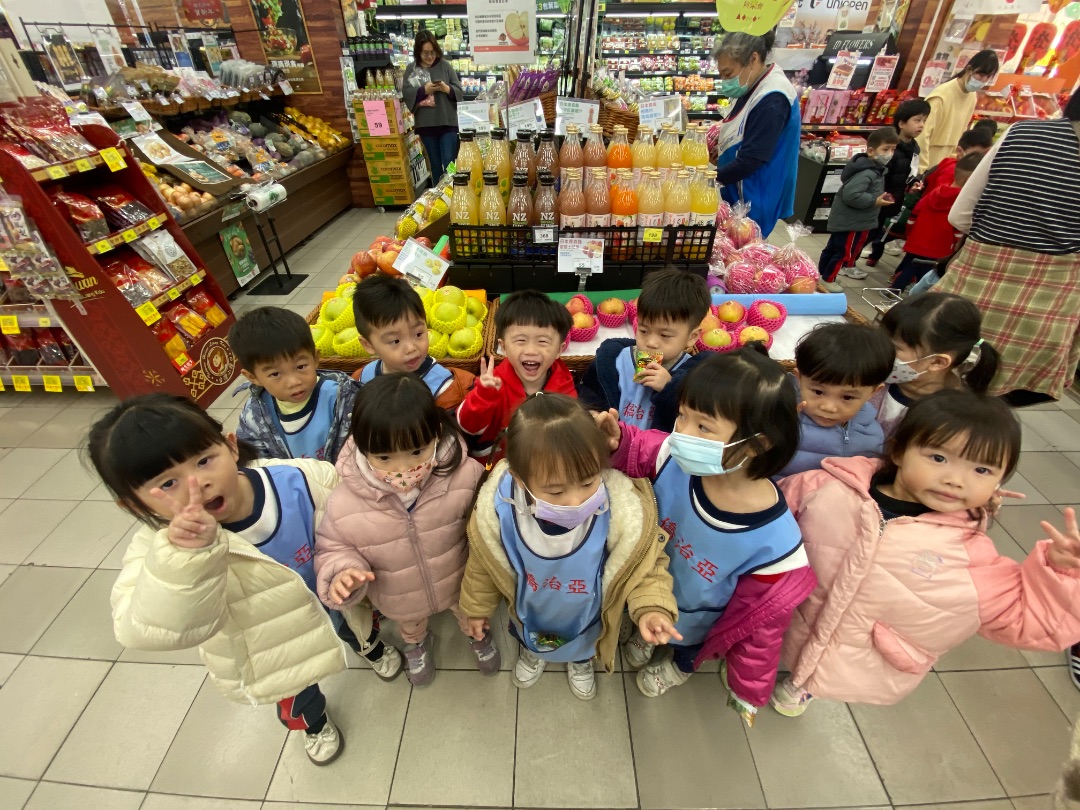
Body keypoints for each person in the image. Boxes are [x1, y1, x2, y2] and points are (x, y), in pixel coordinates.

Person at [90, 395, 400, 766]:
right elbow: (145, 629)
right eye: (168, 483)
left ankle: (371, 648)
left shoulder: (302, 478)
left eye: (204, 460)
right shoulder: (160, 553)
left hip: (334, 599)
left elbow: (352, 524)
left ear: (231, 446)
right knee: (297, 694)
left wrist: (351, 566)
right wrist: (188, 559)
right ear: (133, 504)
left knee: (357, 627)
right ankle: (315, 725)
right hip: (270, 645)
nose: (199, 484)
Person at [772, 390, 1080, 716]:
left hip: (854, 654)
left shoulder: (970, 558)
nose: (955, 480)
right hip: (790, 621)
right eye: (939, 458)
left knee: (812, 673)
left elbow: (1028, 622)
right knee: (768, 651)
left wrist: (1061, 573)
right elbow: (765, 522)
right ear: (898, 450)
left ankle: (802, 685)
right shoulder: (823, 487)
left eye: (982, 470)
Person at [594, 347, 816, 726]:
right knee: (650, 620)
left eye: (704, 427)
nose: (682, 433)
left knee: (687, 650)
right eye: (682, 415)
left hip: (698, 622)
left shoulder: (775, 544)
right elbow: (642, 448)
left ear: (757, 444)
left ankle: (679, 668)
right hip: (649, 585)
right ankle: (646, 632)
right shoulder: (675, 457)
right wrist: (618, 441)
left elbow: (761, 626)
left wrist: (747, 688)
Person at [460, 394, 679, 701]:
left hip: (587, 618)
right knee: (532, 639)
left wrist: (652, 608)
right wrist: (475, 609)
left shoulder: (620, 511)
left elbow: (644, 565)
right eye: (556, 491)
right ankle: (534, 653)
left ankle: (580, 662)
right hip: (531, 613)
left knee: (582, 646)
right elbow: (484, 565)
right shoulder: (500, 513)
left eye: (588, 482)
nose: (576, 500)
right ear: (519, 480)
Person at [314, 374, 493, 686]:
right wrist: (343, 573)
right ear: (362, 448)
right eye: (384, 457)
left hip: (459, 580)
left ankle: (476, 634)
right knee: (410, 623)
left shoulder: (466, 475)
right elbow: (333, 545)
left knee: (469, 612)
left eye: (416, 452)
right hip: (398, 594)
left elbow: (487, 518)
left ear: (437, 435)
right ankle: (417, 643)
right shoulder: (345, 501)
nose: (402, 468)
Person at [936, 87, 1080, 406]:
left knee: (933, 379)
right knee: (989, 407)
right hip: (1047, 315)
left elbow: (960, 216)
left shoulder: (1022, 134)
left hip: (970, 290)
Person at [578, 269, 711, 432]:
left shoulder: (695, 376)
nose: (651, 343)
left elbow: (700, 423)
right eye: (643, 331)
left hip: (660, 447)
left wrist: (670, 388)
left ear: (692, 337)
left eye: (664, 335)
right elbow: (588, 392)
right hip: (614, 443)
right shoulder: (614, 361)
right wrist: (592, 413)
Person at [456, 290, 576, 461]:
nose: (531, 350)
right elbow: (468, 427)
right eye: (521, 340)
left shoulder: (563, 381)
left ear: (559, 349)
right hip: (499, 463)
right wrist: (483, 397)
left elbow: (570, 427)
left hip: (547, 461)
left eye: (542, 341)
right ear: (503, 347)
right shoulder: (492, 384)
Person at [230, 307, 359, 464]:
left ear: (315, 358)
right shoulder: (255, 414)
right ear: (253, 377)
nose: (294, 382)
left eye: (301, 366)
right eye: (275, 374)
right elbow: (256, 461)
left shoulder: (345, 397)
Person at [870, 292, 1000, 437]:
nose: (879, 347)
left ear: (937, 362)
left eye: (894, 347)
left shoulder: (952, 419)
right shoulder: (873, 374)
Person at [712, 30, 802, 238]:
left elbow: (751, 159)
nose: (724, 81)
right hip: (738, 191)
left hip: (756, 195)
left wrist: (706, 179)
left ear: (753, 59)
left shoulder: (773, 99)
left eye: (728, 74)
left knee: (744, 248)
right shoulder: (753, 84)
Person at [777, 323, 895, 477]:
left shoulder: (872, 438)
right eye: (818, 392)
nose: (828, 407)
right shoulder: (777, 416)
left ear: (874, 392)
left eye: (847, 397)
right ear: (799, 379)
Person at [351, 274, 475, 410]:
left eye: (418, 334)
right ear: (368, 344)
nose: (411, 348)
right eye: (395, 341)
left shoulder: (442, 388)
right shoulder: (363, 378)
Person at [818, 127, 899, 292]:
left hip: (849, 220)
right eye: (885, 149)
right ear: (871, 151)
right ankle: (828, 279)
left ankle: (822, 275)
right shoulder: (868, 172)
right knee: (844, 252)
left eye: (893, 149)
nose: (889, 154)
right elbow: (851, 195)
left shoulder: (871, 169)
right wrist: (874, 201)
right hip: (854, 222)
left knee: (833, 248)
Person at [889, 153, 981, 292]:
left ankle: (894, 289)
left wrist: (909, 232)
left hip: (917, 240)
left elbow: (914, 214)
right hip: (940, 247)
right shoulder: (962, 201)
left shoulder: (936, 191)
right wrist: (956, 245)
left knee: (908, 267)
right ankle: (918, 296)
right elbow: (958, 228)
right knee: (926, 275)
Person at [861, 99, 931, 272]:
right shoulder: (889, 148)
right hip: (878, 198)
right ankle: (848, 262)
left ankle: (871, 255)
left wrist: (913, 183)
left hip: (894, 199)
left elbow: (909, 172)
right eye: (917, 120)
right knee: (866, 232)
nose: (921, 125)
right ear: (901, 123)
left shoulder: (914, 148)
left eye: (924, 120)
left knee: (880, 230)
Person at [916, 50, 1000, 174]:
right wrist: (921, 169)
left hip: (945, 165)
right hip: (927, 163)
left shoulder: (972, 96)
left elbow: (961, 133)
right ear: (969, 69)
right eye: (981, 75)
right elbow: (922, 135)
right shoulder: (941, 95)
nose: (983, 80)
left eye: (988, 77)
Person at [402, 31, 464, 180]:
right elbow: (407, 92)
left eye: (432, 52)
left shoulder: (445, 66)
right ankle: (437, 193)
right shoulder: (411, 69)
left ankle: (453, 188)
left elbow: (459, 91)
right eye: (425, 53)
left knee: (449, 162)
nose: (430, 56)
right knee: (435, 165)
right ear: (418, 52)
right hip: (426, 125)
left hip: (447, 123)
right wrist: (424, 90)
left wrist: (446, 89)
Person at [920, 124, 995, 197]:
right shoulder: (952, 171)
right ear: (959, 151)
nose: (981, 159)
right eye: (976, 155)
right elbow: (942, 197)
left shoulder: (949, 163)